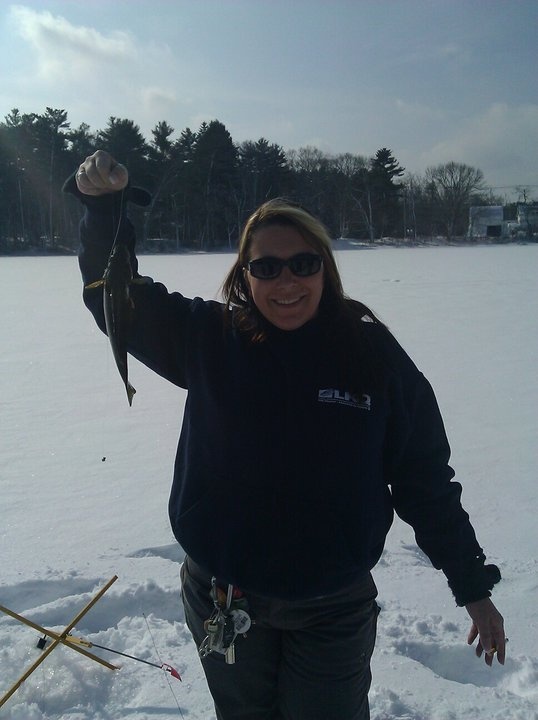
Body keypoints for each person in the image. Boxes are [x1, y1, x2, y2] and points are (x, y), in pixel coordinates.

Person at [67, 149, 506, 720]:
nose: (287, 282)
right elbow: (115, 297)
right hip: (223, 597)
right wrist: (103, 210)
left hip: (332, 609)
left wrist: (472, 584)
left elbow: (424, 479)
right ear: (244, 275)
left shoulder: (373, 356)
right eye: (266, 267)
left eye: (303, 264)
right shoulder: (208, 337)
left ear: (326, 265)